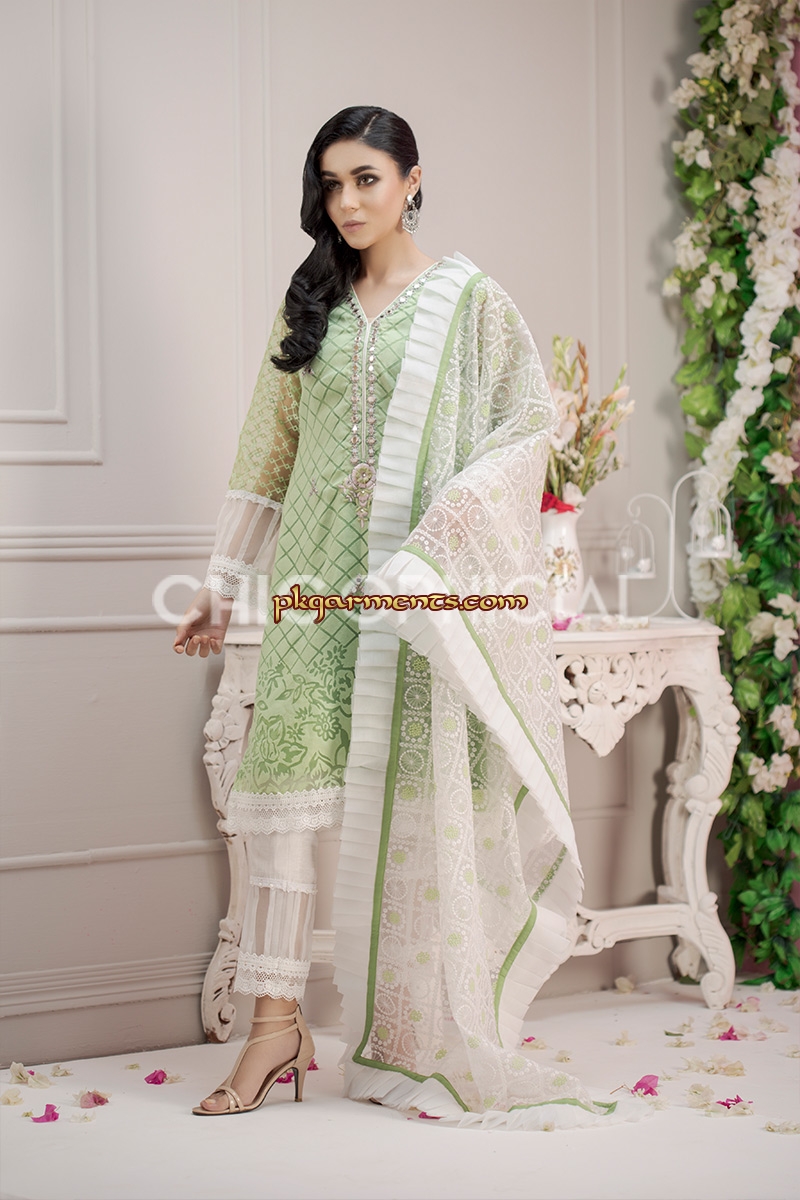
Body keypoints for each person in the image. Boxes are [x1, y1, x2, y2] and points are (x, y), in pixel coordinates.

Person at [174, 106, 625, 1129]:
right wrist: (221, 580)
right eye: (330, 184)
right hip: (311, 587)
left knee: (417, 799)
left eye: (366, 179)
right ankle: (274, 1029)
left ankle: (418, 1030)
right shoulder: (312, 308)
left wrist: (446, 534)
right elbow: (267, 450)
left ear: (412, 180)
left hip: (416, 594)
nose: (347, 202)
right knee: (283, 807)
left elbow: (525, 428)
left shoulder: (469, 304)